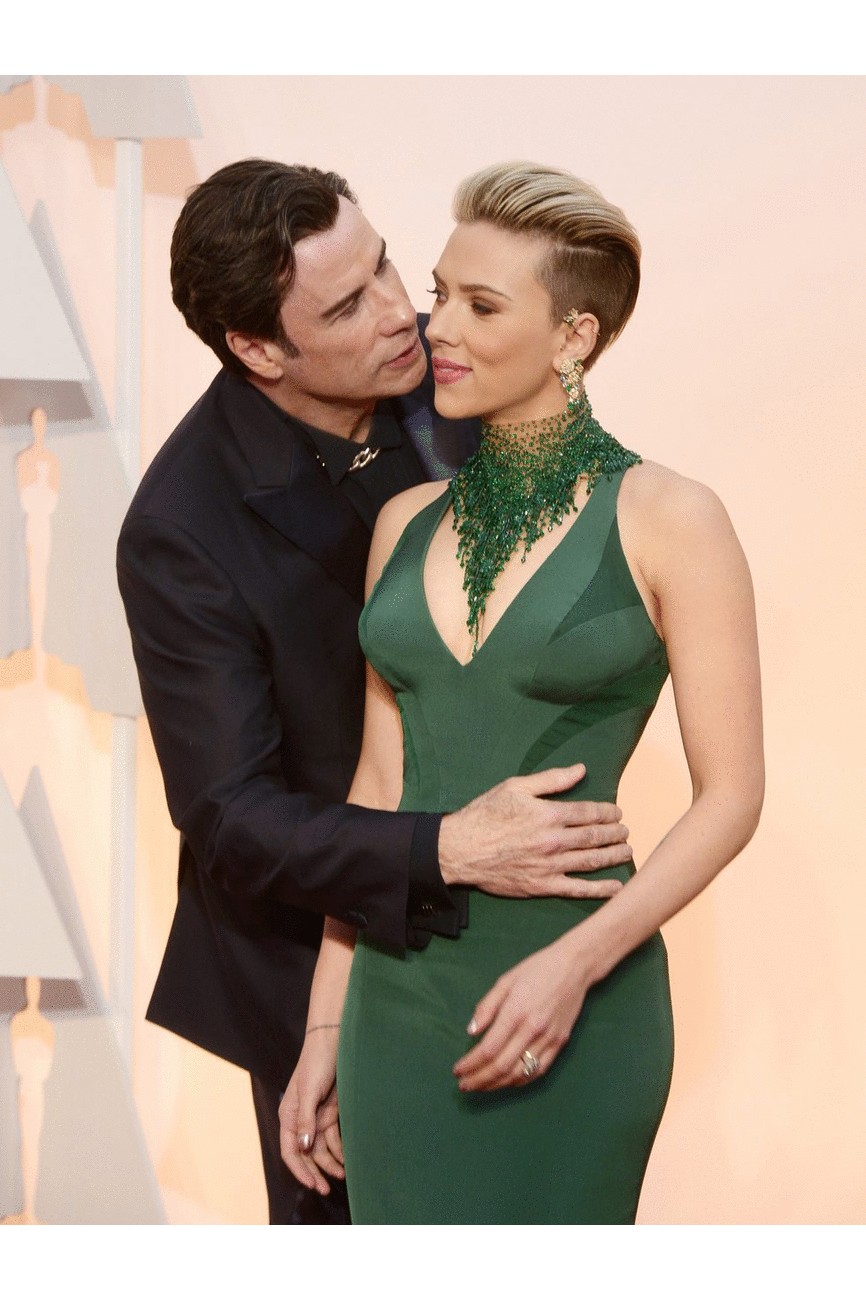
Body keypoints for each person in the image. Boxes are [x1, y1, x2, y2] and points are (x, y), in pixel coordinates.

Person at [115, 159, 636, 1225]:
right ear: (258, 349)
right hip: (314, 958)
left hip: (524, 925)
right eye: (347, 305)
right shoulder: (181, 529)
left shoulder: (457, 371)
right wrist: (447, 849)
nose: (404, 313)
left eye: (387, 266)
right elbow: (231, 819)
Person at [280, 161, 764, 1224]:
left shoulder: (671, 516)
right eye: (440, 292)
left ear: (573, 336)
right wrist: (323, 1026)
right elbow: (378, 786)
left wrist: (575, 965)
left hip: (579, 999)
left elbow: (731, 797)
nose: (439, 327)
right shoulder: (404, 523)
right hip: (395, 1007)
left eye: (482, 305)